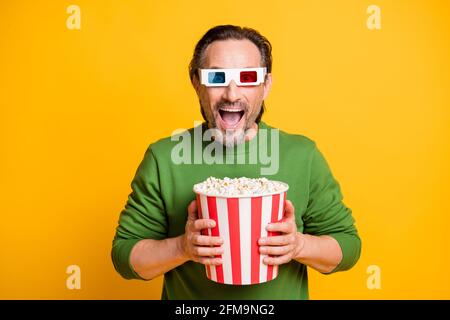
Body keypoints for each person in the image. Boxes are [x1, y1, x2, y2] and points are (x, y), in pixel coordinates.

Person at [111, 25, 361, 299]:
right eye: (217, 77)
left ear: (265, 86)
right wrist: (183, 248)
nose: (231, 93)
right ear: (197, 83)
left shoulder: (302, 155)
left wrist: (298, 245)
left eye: (247, 78)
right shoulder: (164, 158)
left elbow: (348, 247)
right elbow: (125, 256)